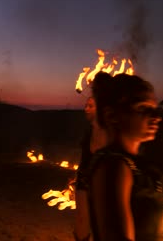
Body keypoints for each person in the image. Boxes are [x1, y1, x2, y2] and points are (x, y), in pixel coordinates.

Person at [87, 72, 163, 241]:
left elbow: (154, 211)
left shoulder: (136, 165)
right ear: (111, 116)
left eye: (155, 109)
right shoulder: (113, 167)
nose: (157, 117)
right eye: (143, 108)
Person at [74, 97, 108, 241]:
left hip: (103, 182)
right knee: (82, 219)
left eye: (90, 106)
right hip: (84, 180)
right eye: (86, 105)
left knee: (103, 221)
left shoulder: (109, 132)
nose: (85, 109)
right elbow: (85, 157)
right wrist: (76, 177)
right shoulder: (89, 131)